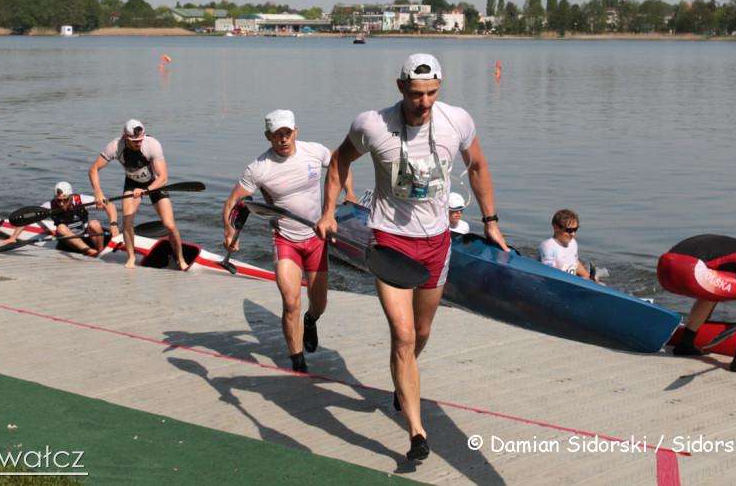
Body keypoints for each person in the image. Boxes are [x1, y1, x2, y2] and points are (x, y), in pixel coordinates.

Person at [316, 53, 508, 462]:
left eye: (432, 93)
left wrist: (490, 220)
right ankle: (417, 432)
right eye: (417, 93)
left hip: (438, 243)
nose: (425, 102)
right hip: (389, 242)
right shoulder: (372, 125)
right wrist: (329, 212)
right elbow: (339, 161)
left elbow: (478, 167)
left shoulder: (457, 121)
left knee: (420, 334)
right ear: (401, 86)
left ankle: (403, 382)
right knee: (402, 335)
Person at [221, 109, 355, 374]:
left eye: (287, 133)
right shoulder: (259, 168)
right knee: (291, 301)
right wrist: (228, 231)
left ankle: (311, 320)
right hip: (285, 240)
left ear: (296, 131)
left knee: (319, 304)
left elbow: (341, 164)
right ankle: (297, 361)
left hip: (316, 238)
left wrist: (349, 193)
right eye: (277, 135)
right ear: (268, 136)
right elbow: (233, 203)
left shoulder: (314, 152)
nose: (283, 139)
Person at [657, 234, 736, 375]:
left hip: (664, 269)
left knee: (713, 289)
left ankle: (685, 343)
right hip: (690, 269)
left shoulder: (735, 248)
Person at [89, 119, 187, 270]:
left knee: (169, 223)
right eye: (135, 141)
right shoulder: (115, 146)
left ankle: (180, 259)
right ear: (125, 136)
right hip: (133, 183)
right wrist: (98, 192)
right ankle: (131, 258)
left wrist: (146, 190)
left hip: (155, 183)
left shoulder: (152, 144)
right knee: (127, 220)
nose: (138, 143)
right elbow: (93, 169)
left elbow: (163, 177)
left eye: (141, 139)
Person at [2, 181, 118, 256]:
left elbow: (110, 205)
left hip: (86, 235)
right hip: (65, 240)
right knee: (61, 228)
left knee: (95, 224)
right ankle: (89, 251)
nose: (61, 204)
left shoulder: (81, 200)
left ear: (71, 196)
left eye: (65, 200)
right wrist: (13, 237)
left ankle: (101, 251)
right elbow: (29, 218)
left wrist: (113, 224)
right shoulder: (49, 206)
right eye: (58, 200)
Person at [537, 209, 601, 282]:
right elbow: (551, 274)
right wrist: (580, 281)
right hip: (550, 284)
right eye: (569, 230)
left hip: (569, 283)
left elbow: (575, 262)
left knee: (598, 281)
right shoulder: (548, 247)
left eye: (575, 229)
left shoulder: (573, 243)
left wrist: (588, 277)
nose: (573, 234)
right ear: (556, 227)